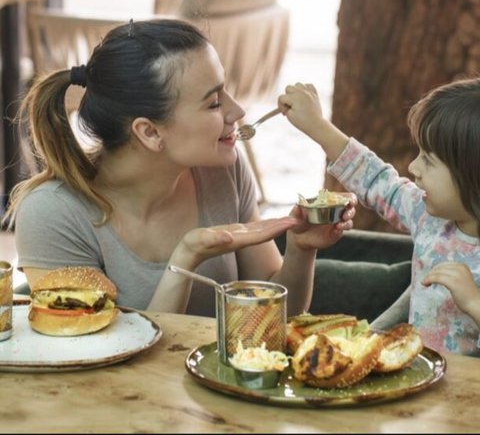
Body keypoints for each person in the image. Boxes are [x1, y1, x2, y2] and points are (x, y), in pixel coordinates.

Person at [3, 19, 356, 318]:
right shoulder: (53, 213)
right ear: (150, 132)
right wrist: (186, 257)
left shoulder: (222, 171)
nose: (237, 112)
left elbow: (273, 317)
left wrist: (300, 250)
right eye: (214, 102)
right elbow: (102, 362)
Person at [278, 80, 480, 356]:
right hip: (419, 380)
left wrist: (474, 302)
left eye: (429, 160)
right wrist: (317, 126)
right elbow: (376, 179)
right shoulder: (427, 216)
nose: (413, 167)